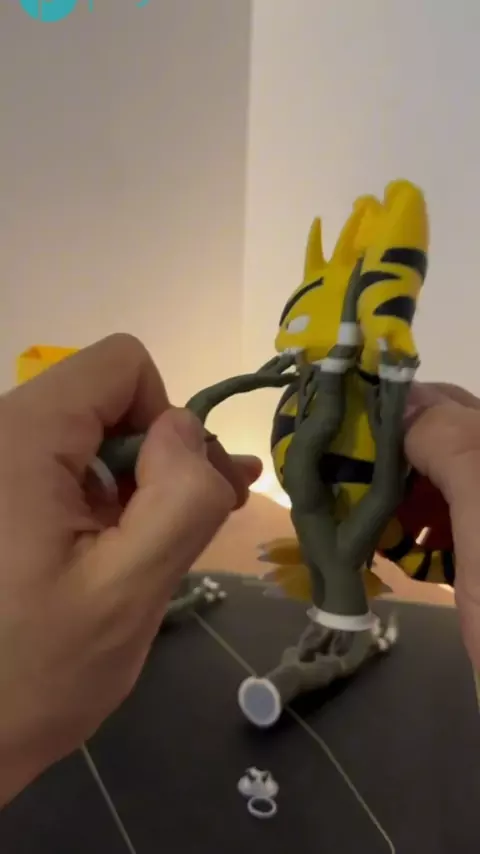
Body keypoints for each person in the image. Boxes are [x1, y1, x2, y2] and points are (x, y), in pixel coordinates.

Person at [0, 334, 478, 808]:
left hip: (343, 582)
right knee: (327, 627)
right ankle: (290, 652)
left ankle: (302, 652)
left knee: (330, 624)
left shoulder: (333, 506)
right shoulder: (319, 499)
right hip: (339, 577)